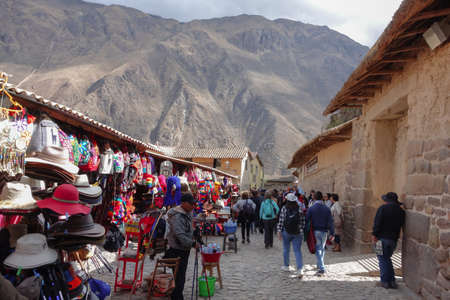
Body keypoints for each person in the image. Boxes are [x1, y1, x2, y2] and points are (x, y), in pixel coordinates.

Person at [164, 193, 197, 300]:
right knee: (179, 276)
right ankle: (177, 297)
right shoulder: (177, 216)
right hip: (177, 250)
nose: (193, 206)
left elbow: (188, 228)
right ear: (183, 203)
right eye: (191, 204)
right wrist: (192, 243)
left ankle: (177, 296)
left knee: (181, 276)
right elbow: (180, 235)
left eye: (194, 204)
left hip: (183, 249)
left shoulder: (186, 213)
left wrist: (194, 233)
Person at [372, 192, 405, 289]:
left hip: (380, 239)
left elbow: (377, 223)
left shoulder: (382, 208)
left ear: (387, 200)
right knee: (387, 259)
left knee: (382, 259)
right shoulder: (401, 211)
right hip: (393, 240)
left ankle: (385, 281)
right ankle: (392, 281)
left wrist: (374, 235)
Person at [277, 193, 306, 278]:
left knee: (286, 249)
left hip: (286, 232)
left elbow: (281, 220)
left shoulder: (284, 208)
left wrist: (279, 231)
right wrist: (300, 230)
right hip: (297, 233)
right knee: (297, 251)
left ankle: (286, 266)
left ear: (287, 200)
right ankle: (300, 269)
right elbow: (303, 222)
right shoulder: (300, 208)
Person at [306, 191, 334, 276]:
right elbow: (330, 221)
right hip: (324, 231)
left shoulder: (311, 208)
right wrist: (332, 233)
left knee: (318, 248)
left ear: (314, 198)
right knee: (321, 248)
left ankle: (321, 268)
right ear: (322, 198)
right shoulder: (327, 208)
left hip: (315, 230)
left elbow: (307, 219)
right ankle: (319, 264)